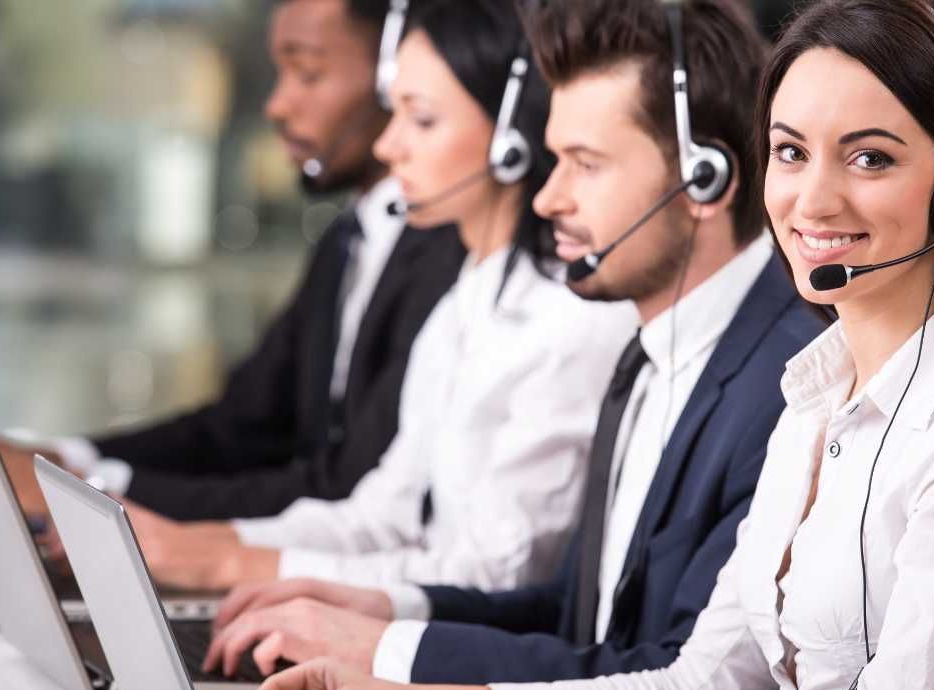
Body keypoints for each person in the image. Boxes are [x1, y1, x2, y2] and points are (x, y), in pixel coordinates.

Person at [234, 1, 934, 690]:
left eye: (870, 158)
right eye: (792, 152)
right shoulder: (816, 398)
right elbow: (699, 689)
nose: (813, 198)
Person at [196, 0, 824, 690]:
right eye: (554, 160)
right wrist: (383, 611)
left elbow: (679, 681)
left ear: (705, 180)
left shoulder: (788, 385)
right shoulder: (649, 352)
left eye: (585, 164)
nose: (548, 198)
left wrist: (387, 655)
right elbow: (574, 619)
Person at [115, 0, 638, 592]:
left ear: (510, 139)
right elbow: (381, 514)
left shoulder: (569, 320)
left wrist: (240, 564)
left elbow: (499, 571)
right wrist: (217, 543)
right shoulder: (465, 300)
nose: (389, 148)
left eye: (421, 120)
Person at [0, 0, 465, 530]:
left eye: (308, 74)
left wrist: (89, 491)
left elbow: (346, 486)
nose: (277, 106)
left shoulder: (456, 254)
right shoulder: (348, 239)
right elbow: (237, 428)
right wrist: (65, 461)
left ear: (397, 81)